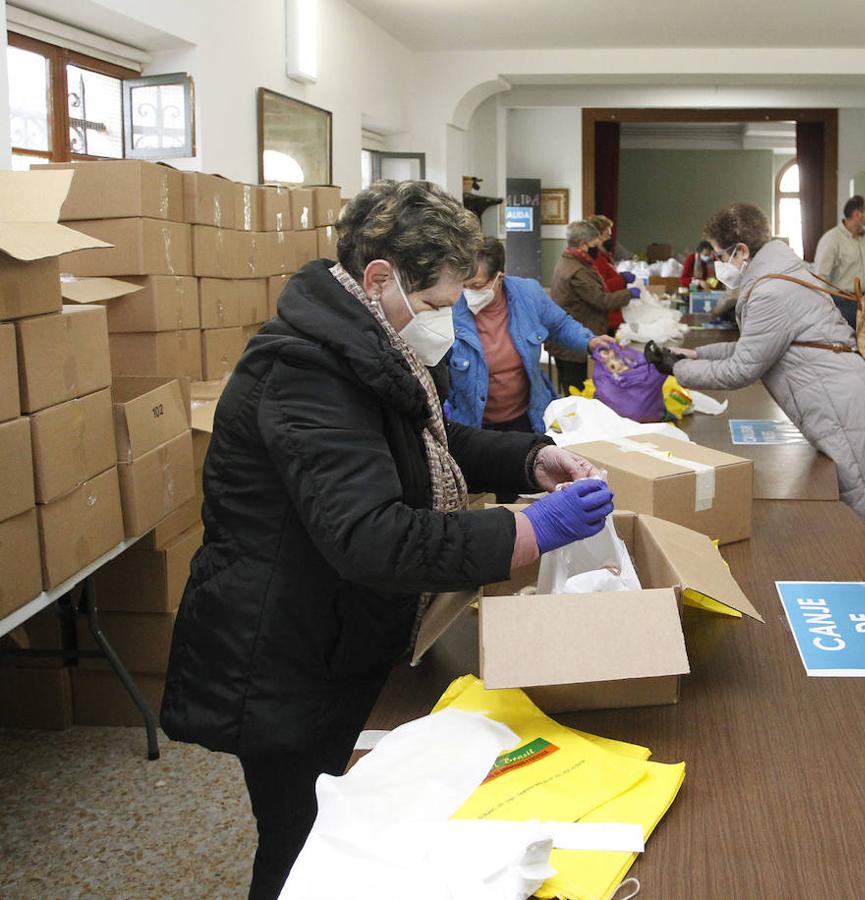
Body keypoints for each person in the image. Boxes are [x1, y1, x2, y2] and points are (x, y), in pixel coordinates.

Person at [160, 180, 616, 900]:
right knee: (306, 848)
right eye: (436, 305)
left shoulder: (369, 343)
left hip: (338, 630)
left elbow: (433, 438)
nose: (443, 322)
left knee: (344, 830)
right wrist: (526, 530)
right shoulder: (307, 372)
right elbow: (373, 539)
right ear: (380, 279)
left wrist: (530, 457)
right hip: (285, 652)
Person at [646, 202, 865, 523]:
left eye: (721, 256)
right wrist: (696, 355)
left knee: (853, 517)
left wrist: (676, 369)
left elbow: (743, 369)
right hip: (843, 389)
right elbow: (755, 348)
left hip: (840, 402)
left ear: (741, 251)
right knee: (848, 509)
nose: (719, 265)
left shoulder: (771, 291)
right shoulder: (782, 271)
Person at [444, 236, 617, 453]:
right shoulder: (449, 307)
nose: (469, 293)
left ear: (500, 277)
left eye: (477, 286)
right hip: (473, 424)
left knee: (527, 480)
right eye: (465, 285)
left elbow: (560, 324)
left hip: (526, 418)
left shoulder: (528, 295)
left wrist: (589, 341)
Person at [548, 220, 637, 395]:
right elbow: (601, 300)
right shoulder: (577, 270)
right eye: (596, 244)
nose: (599, 248)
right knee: (577, 393)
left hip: (568, 338)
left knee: (574, 388)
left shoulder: (573, 261)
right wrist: (628, 294)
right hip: (571, 343)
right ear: (583, 245)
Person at [812, 194, 865, 328]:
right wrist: (826, 309)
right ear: (858, 215)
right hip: (843, 304)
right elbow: (820, 277)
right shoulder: (832, 239)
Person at [585, 215, 635, 332]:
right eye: (607, 233)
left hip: (611, 312)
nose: (610, 236)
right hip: (606, 316)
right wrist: (622, 279)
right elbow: (601, 287)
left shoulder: (604, 255)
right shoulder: (596, 258)